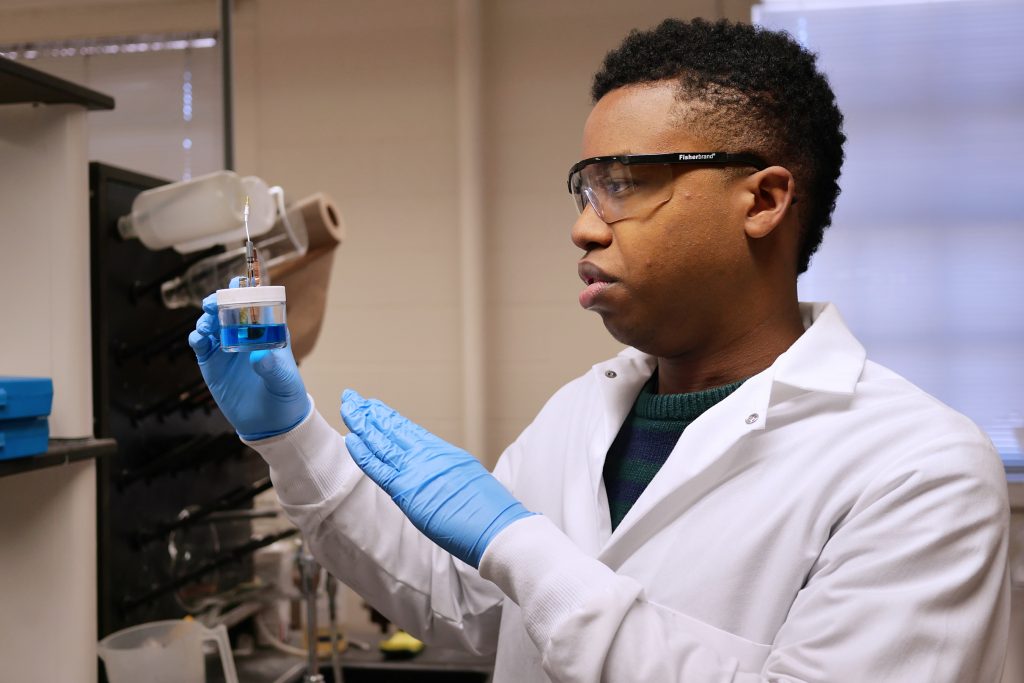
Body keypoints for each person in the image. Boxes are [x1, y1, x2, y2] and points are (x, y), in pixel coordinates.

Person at [189, 17, 1009, 683]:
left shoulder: (919, 467)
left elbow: (532, 574)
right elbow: (463, 607)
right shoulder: (584, 410)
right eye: (586, 187)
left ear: (761, 199)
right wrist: (291, 438)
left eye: (626, 182)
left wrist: (519, 542)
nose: (585, 224)